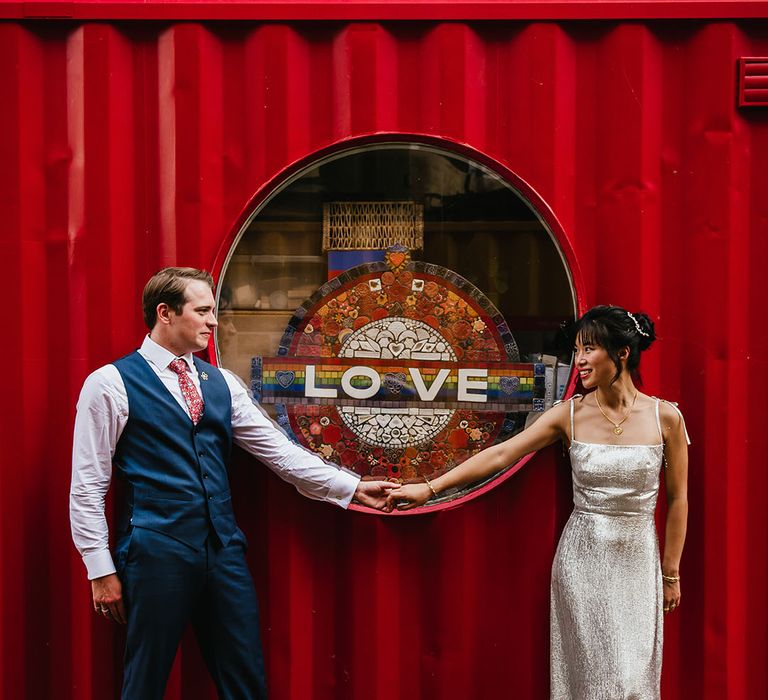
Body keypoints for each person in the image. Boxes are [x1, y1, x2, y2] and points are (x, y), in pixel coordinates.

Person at [70, 267, 397, 700]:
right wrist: (100, 569)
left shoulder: (221, 383)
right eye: (203, 311)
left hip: (224, 551)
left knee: (245, 681)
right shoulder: (110, 383)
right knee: (144, 682)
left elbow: (279, 452)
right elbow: (88, 484)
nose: (214, 322)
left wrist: (351, 486)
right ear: (165, 313)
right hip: (155, 553)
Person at [388, 305, 689, 700]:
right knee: (592, 682)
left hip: (637, 563)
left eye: (589, 350)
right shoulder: (569, 415)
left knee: (633, 681)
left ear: (622, 353)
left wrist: (670, 573)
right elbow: (501, 455)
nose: (578, 361)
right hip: (583, 562)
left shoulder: (665, 416)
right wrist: (429, 488)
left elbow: (677, 496)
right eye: (576, 350)